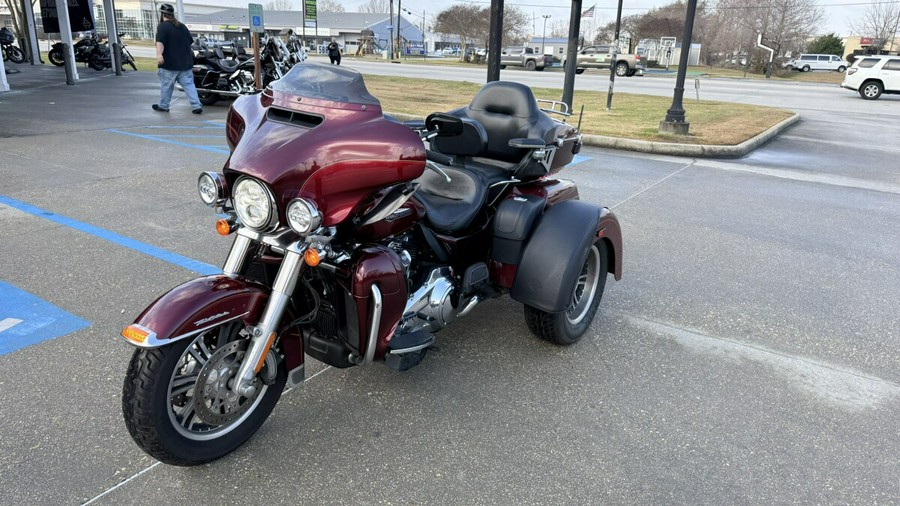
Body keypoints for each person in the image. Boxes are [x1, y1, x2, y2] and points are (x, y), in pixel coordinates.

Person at [152, 3, 202, 114]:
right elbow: (189, 43)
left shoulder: (162, 26)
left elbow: (160, 42)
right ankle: (196, 106)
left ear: (162, 14)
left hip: (169, 64)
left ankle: (164, 106)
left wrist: (159, 55)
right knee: (189, 85)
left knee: (166, 86)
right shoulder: (182, 26)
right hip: (185, 63)